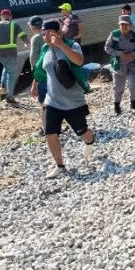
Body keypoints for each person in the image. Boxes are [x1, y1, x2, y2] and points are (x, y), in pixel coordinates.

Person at [31, 20, 95, 179]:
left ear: (59, 33)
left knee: (83, 132)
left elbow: (79, 61)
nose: (46, 37)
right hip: (52, 100)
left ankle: (89, 141)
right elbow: (40, 69)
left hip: (73, 101)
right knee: (50, 132)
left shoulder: (72, 45)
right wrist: (35, 85)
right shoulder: (45, 49)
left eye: (49, 33)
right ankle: (60, 166)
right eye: (44, 34)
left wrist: (61, 45)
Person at [104, 15, 135, 115]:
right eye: (122, 24)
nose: (124, 26)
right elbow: (107, 48)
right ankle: (117, 106)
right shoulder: (114, 34)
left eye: (126, 24)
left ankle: (133, 106)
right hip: (119, 65)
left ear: (130, 25)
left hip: (132, 65)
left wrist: (133, 55)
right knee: (118, 88)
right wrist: (119, 54)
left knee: (133, 85)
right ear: (119, 25)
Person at [0, 9, 29, 104]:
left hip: (0, 55)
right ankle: (9, 97)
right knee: (11, 75)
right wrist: (27, 42)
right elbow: (22, 35)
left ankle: (3, 84)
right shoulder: (14, 25)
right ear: (10, 16)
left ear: (1, 17)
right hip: (11, 53)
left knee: (6, 67)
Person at [28, 16, 46, 133]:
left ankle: (46, 128)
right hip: (53, 72)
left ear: (32, 27)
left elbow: (34, 60)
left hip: (42, 74)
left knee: (44, 103)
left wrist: (35, 80)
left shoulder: (36, 38)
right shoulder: (48, 35)